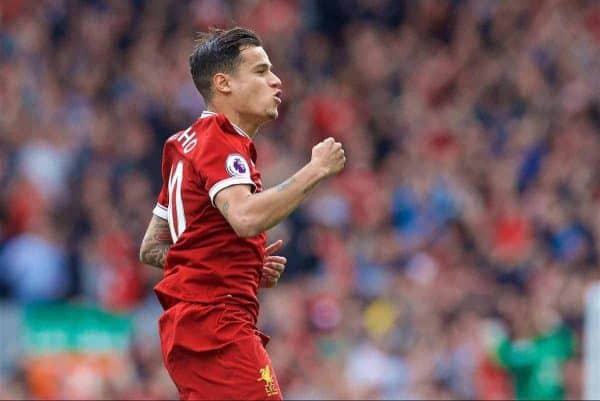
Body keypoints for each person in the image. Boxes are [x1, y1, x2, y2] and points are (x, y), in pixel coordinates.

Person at [139, 27, 346, 400]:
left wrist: (231, 262)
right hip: (217, 325)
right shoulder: (220, 141)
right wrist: (316, 170)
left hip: (193, 326)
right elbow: (246, 217)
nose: (276, 80)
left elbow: (152, 246)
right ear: (224, 83)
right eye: (261, 71)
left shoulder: (185, 145)